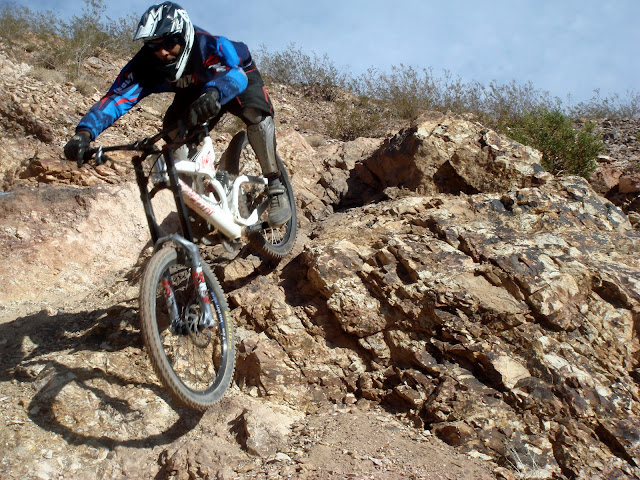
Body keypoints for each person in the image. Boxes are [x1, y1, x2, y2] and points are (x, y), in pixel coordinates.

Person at [64, 1, 291, 227]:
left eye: (170, 42)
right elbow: (116, 98)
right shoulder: (145, 64)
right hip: (194, 88)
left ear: (183, 35)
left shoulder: (209, 45)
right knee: (173, 131)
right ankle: (204, 195)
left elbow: (235, 75)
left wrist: (213, 94)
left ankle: (275, 184)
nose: (162, 52)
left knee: (255, 114)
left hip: (234, 74)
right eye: (153, 45)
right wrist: (84, 132)